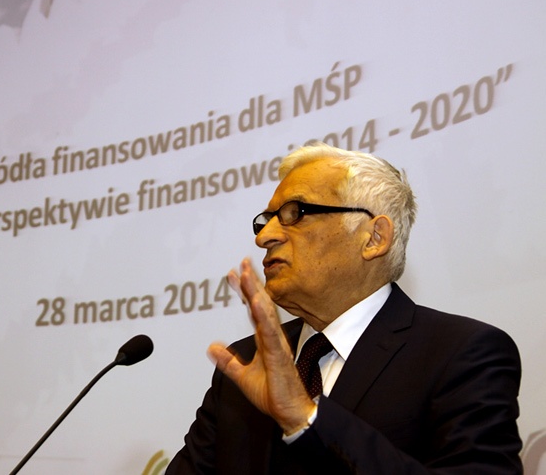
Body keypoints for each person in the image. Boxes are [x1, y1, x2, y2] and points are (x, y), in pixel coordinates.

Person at [166, 142, 522, 474]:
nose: (264, 236)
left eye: (295, 213)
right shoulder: (245, 365)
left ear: (374, 238)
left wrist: (305, 418)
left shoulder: (460, 354)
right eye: (266, 219)